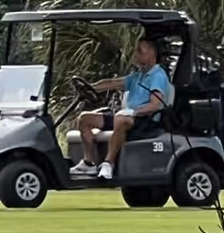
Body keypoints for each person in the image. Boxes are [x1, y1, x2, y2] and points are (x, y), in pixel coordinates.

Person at [70, 38, 171, 181]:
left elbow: (155, 105)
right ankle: (89, 163)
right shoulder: (138, 76)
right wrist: (90, 87)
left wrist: (134, 112)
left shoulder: (157, 76)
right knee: (85, 119)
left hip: (143, 120)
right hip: (125, 116)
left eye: (139, 52)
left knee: (120, 119)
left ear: (151, 54)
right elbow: (112, 83)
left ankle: (108, 163)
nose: (135, 55)